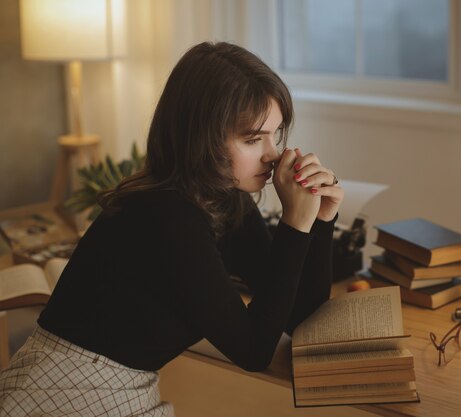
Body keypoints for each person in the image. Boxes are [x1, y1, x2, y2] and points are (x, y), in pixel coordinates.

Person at [0, 41, 343, 416]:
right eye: (251, 138)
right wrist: (294, 224)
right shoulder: (165, 214)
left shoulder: (226, 200)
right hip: (69, 389)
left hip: (114, 385)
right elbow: (254, 351)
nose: (272, 154)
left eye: (275, 135)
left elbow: (298, 317)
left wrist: (321, 220)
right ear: (203, 137)